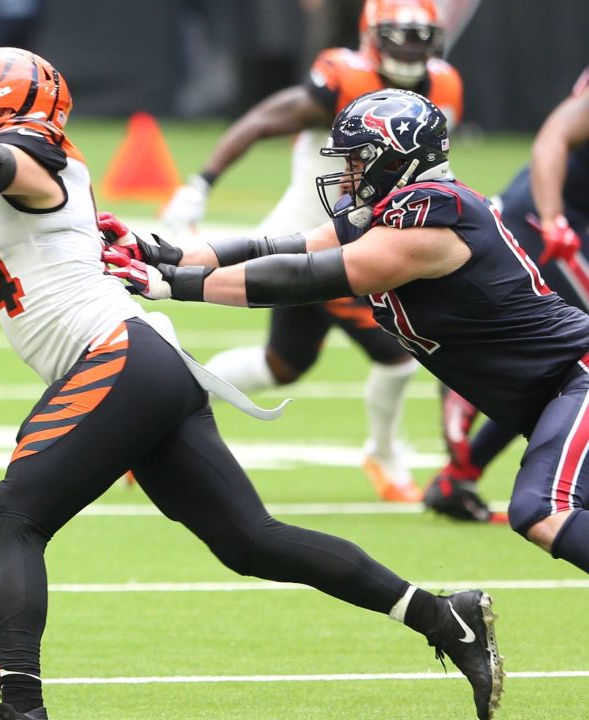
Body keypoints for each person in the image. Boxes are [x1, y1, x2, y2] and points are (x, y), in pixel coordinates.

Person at [0, 44, 502, 720]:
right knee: (251, 541)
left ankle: (21, 708)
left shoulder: (43, 166)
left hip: (116, 358)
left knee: (14, 520)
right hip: (140, 364)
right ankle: (445, 617)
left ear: (9, 103)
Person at [108, 88, 589, 720]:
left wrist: (174, 286)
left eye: (360, 159)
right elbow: (272, 248)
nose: (349, 173)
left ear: (400, 159)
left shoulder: (433, 225)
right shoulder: (399, 207)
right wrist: (157, 251)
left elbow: (310, 278)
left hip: (576, 379)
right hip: (553, 394)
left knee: (541, 509)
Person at [160, 0, 462, 503]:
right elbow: (262, 120)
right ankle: (384, 456)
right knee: (397, 357)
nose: (410, 47)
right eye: (399, 35)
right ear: (372, 36)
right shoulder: (342, 80)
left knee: (284, 363)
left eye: (419, 36)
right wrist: (202, 181)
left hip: (362, 240)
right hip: (313, 243)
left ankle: (159, 415)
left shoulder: (445, 86)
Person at [427, 65, 589, 522]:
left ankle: (461, 472)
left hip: (570, 222)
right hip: (549, 221)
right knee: (574, 360)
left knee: (564, 368)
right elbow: (552, 136)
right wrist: (554, 217)